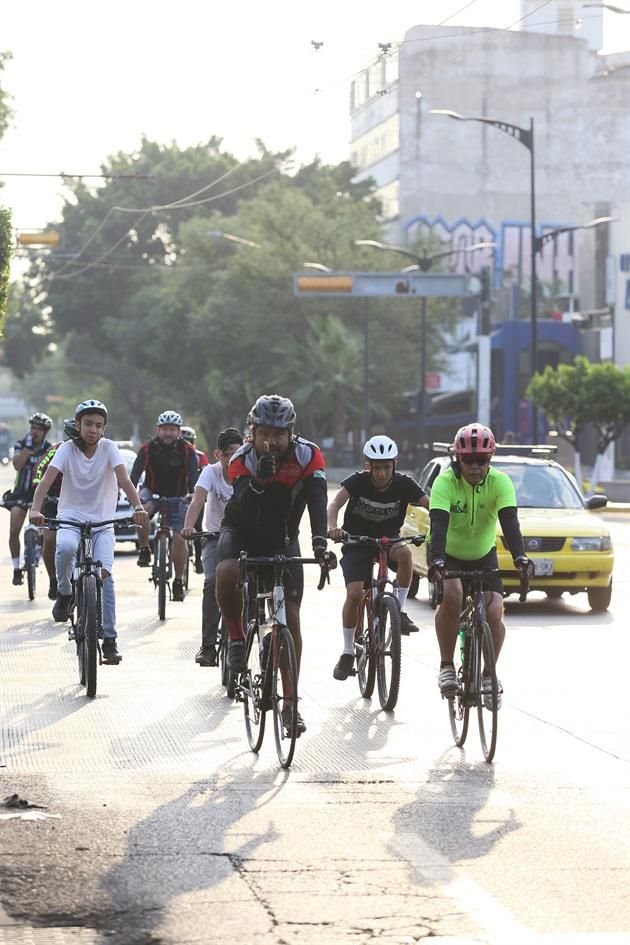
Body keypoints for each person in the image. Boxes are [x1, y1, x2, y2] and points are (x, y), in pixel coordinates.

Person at [215, 394, 332, 736]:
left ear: (291, 433)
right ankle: (237, 639)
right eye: (264, 433)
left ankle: (291, 704)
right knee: (226, 571)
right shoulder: (242, 458)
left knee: (290, 617)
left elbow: (317, 501)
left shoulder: (308, 455)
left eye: (279, 434)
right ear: (251, 432)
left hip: (282, 537)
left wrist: (320, 543)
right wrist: (258, 482)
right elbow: (243, 506)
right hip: (242, 532)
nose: (271, 441)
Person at [29, 399, 148, 664]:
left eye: (98, 425)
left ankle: (110, 640)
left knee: (106, 577)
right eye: (88, 424)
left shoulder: (109, 449)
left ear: (104, 428)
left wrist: (138, 506)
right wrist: (35, 509)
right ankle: (64, 593)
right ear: (78, 425)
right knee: (65, 548)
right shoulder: (66, 449)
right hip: (70, 515)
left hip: (102, 521)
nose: (93, 429)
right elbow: (46, 480)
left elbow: (124, 480)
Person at [427, 423, 530, 709]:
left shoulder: (500, 482)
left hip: (484, 554)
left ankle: (488, 675)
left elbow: (510, 524)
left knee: (495, 612)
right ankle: (446, 665)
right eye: (468, 460)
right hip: (447, 552)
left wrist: (520, 557)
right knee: (453, 595)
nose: (475, 467)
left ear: (490, 459)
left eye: (482, 460)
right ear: (457, 458)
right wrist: (436, 560)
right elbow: (438, 526)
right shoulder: (445, 482)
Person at [327, 435, 429, 681]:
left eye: (386, 467)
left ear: (394, 465)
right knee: (354, 594)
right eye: (377, 468)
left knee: (405, 554)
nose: (382, 473)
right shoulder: (357, 482)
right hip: (357, 541)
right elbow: (335, 504)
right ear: (368, 466)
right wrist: (333, 527)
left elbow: (431, 505)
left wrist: (440, 525)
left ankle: (399, 612)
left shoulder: (405, 484)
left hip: (387, 540)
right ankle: (348, 651)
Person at [181, 427, 244, 666]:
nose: (232, 460)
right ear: (218, 455)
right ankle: (208, 646)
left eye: (237, 454)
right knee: (211, 583)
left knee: (249, 585)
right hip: (214, 537)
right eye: (227, 455)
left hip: (243, 538)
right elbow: (197, 501)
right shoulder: (210, 472)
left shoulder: (248, 472)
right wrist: (189, 527)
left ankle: (248, 635)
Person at [130, 410, 199, 602]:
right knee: (141, 511)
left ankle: (178, 581)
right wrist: (132, 495)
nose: (168, 433)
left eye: (172, 429)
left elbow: (193, 476)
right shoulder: (147, 449)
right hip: (151, 491)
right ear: (158, 430)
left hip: (179, 496)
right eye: (164, 429)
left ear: (178, 431)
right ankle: (145, 548)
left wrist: (193, 494)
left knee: (179, 538)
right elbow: (135, 475)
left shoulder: (187, 450)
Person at [31, 418, 77, 600]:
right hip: (53, 499)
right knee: (50, 540)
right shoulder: (57, 449)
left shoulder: (93, 451)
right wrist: (38, 491)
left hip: (77, 501)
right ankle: (53, 579)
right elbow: (39, 469)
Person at [5, 413, 53, 586]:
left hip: (40, 495)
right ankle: (16, 569)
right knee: (13, 530)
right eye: (33, 428)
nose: (34, 432)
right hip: (20, 494)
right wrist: (27, 448)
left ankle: (39, 553)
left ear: (45, 432)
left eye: (39, 429)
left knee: (45, 532)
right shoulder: (21, 444)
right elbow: (17, 464)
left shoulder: (49, 449)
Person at [181, 425, 209, 573]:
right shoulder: (175, 455)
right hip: (180, 493)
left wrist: (201, 493)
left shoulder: (200, 456)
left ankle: (198, 560)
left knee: (197, 528)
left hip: (196, 493)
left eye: (189, 441)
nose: (187, 444)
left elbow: (205, 473)